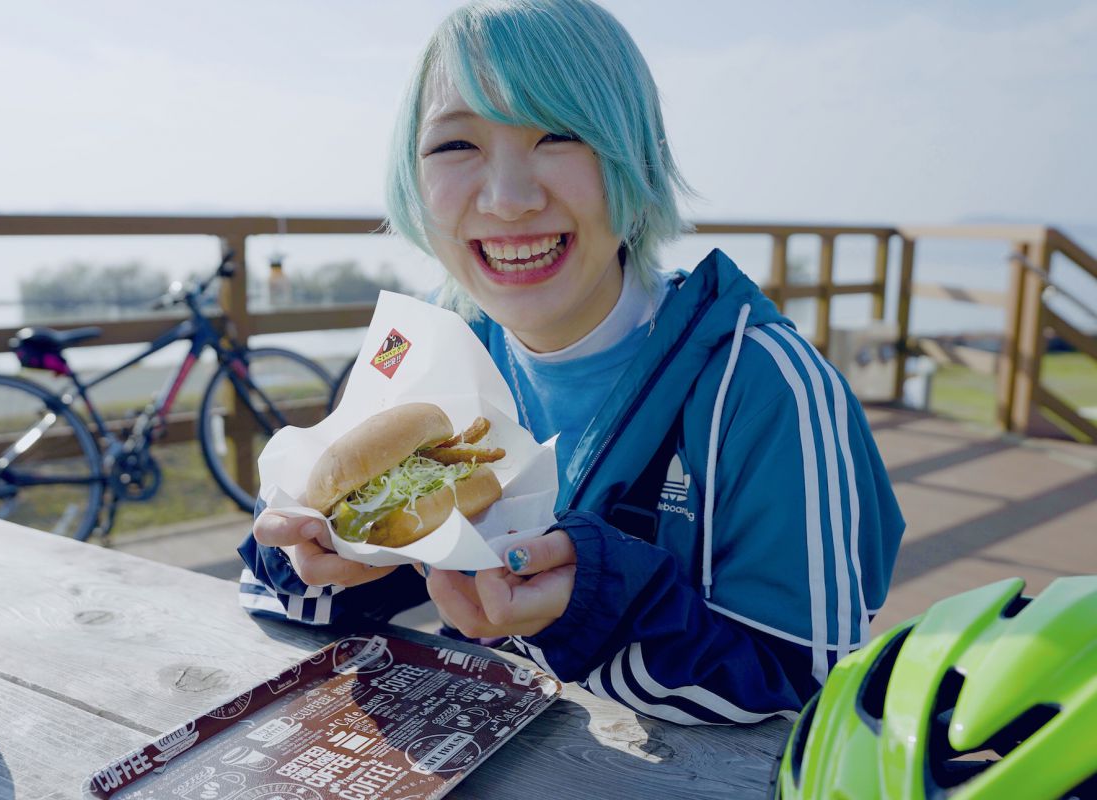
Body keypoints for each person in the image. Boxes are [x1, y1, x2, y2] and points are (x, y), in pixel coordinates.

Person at [239, 0, 904, 725]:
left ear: (636, 158)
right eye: (456, 147)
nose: (509, 199)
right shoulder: (432, 351)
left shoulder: (762, 385)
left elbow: (815, 689)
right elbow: (287, 595)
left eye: (560, 135)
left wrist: (602, 597)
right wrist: (321, 556)